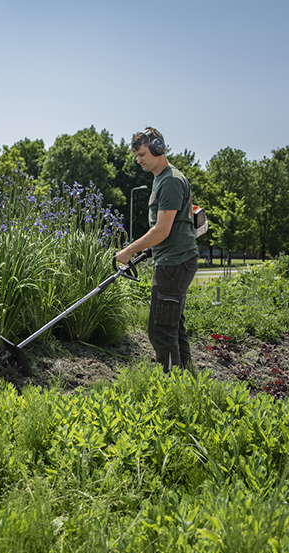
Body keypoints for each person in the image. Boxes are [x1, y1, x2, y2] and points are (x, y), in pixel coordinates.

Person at [115, 127, 199, 372]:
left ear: (157, 148)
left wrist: (129, 251)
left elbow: (162, 230)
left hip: (175, 263)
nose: (139, 161)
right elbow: (170, 228)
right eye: (136, 156)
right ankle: (185, 378)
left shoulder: (171, 180)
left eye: (142, 154)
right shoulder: (161, 179)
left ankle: (169, 381)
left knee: (161, 329)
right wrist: (152, 248)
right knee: (173, 325)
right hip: (172, 260)